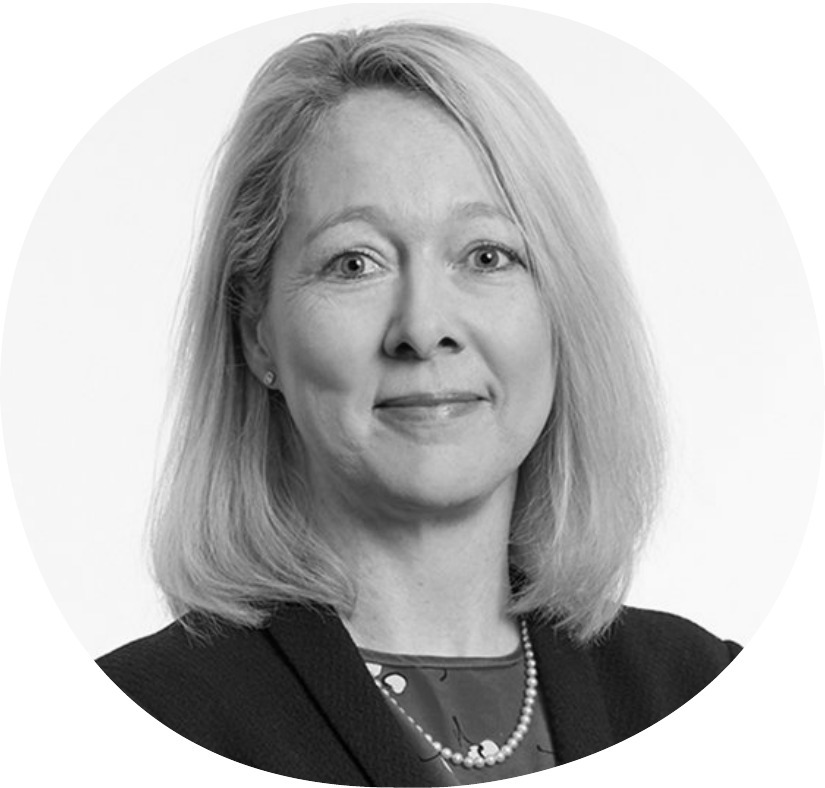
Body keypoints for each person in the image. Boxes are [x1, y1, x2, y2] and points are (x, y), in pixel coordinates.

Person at [97, 22, 740, 786]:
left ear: (563, 307)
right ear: (257, 333)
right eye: (353, 262)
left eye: (487, 255)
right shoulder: (133, 723)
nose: (424, 327)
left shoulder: (701, 692)